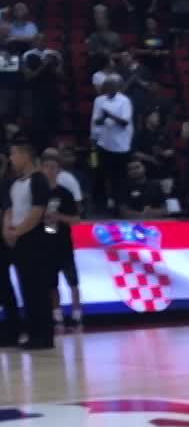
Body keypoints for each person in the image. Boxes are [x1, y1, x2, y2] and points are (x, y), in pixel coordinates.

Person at [2, 136, 53, 347]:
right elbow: (10, 210)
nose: (12, 158)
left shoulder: (38, 180)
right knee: (26, 287)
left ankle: (43, 335)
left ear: (25, 155)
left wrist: (19, 231)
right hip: (18, 240)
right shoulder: (15, 183)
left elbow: (37, 211)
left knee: (37, 288)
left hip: (34, 239)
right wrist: (7, 230)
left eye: (14, 154)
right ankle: (31, 332)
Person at [42, 147, 83, 330]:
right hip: (46, 244)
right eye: (47, 167)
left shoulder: (65, 193)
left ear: (58, 170)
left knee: (72, 281)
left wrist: (59, 217)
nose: (50, 170)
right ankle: (56, 315)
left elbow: (76, 220)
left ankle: (76, 313)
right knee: (51, 283)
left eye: (53, 167)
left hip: (64, 244)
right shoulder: (38, 193)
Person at [90, 71, 134, 211]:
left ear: (117, 87)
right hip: (103, 143)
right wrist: (95, 134)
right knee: (100, 173)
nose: (107, 88)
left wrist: (109, 115)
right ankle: (100, 205)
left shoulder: (124, 101)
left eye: (110, 86)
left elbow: (124, 122)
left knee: (119, 178)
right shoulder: (99, 100)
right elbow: (96, 121)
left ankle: (119, 205)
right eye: (106, 86)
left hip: (120, 145)